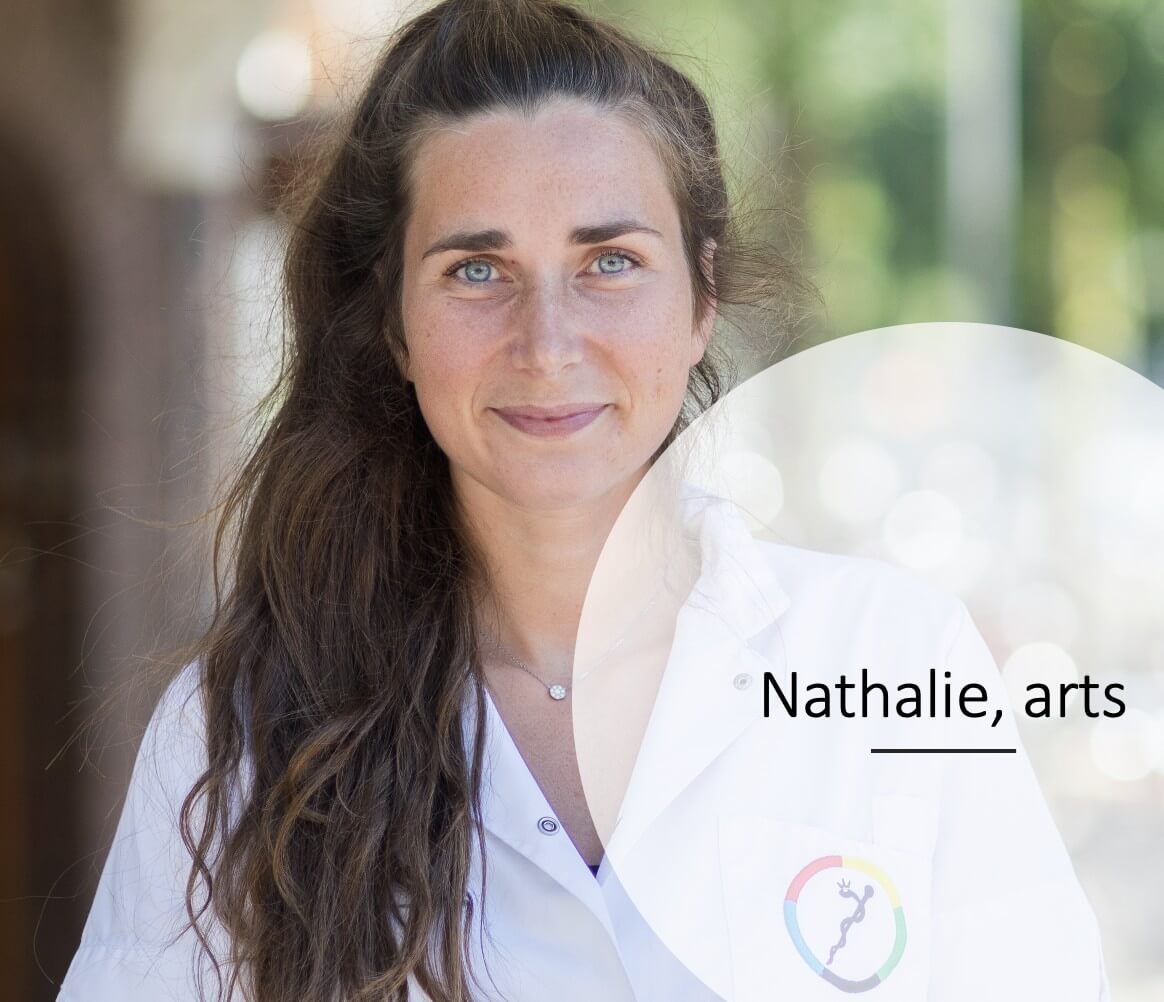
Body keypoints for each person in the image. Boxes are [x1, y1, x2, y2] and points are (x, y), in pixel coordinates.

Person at [57, 1, 1111, 1000]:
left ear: (700, 300)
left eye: (609, 261)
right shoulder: (242, 732)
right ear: (392, 324)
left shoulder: (897, 662)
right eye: (477, 270)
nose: (547, 344)